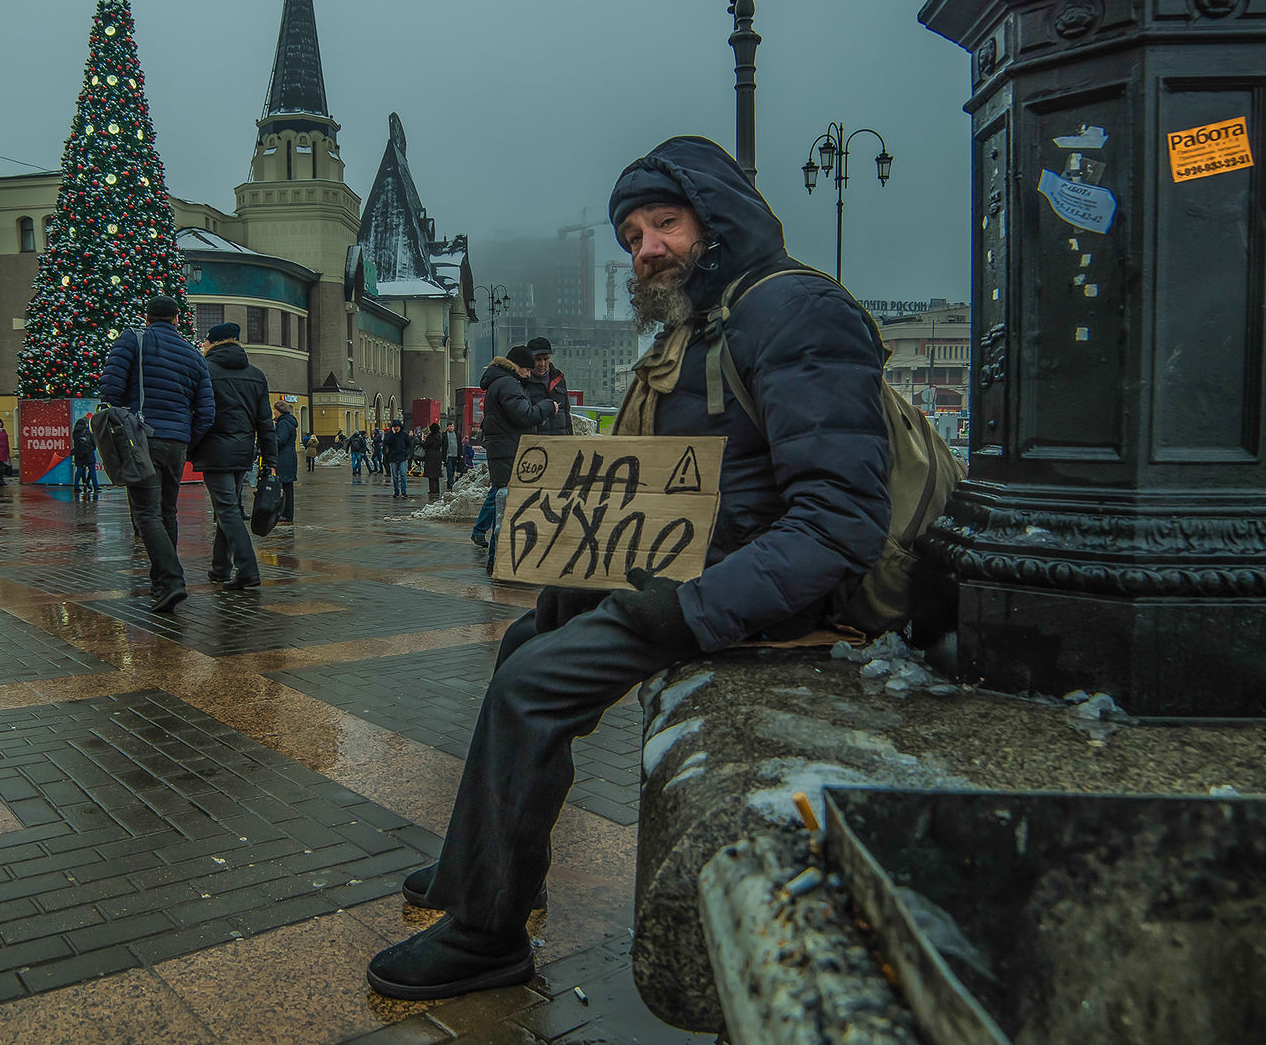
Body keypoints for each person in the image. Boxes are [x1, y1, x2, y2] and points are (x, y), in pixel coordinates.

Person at [366, 136, 891, 1000]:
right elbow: (657, 481)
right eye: (633, 236)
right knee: (524, 644)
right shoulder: (703, 324)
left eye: (664, 223)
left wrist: (683, 612)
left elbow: (839, 522)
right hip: (689, 569)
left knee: (534, 684)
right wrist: (577, 573)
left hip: (765, 600)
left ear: (716, 219)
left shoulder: (794, 311)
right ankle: (489, 872)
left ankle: (485, 937)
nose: (647, 247)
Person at [100, 296, 216, 613]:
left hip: (142, 439)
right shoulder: (194, 355)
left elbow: (109, 388)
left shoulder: (132, 338)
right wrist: (185, 439)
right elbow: (207, 411)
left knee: (145, 514)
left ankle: (172, 581)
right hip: (177, 444)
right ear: (177, 319)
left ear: (147, 317)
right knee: (167, 512)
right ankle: (160, 582)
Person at [189, 322, 275, 590]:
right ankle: (220, 568)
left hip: (214, 450)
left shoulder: (205, 370)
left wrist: (191, 447)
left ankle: (248, 569)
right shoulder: (256, 374)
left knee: (227, 510)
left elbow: (199, 414)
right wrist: (271, 460)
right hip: (242, 451)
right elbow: (265, 422)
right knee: (229, 508)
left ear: (212, 343)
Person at [469, 344, 556, 573]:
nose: (530, 375)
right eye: (527, 370)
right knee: (506, 509)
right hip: (509, 453)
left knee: (503, 506)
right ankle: (498, 562)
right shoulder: (508, 383)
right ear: (519, 367)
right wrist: (547, 407)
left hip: (503, 451)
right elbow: (523, 415)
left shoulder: (500, 382)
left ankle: (496, 561)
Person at [525, 338, 573, 436]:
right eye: (538, 359)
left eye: (546, 359)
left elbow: (566, 414)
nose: (542, 364)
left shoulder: (559, 379)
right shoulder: (524, 382)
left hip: (560, 442)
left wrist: (570, 439)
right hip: (535, 444)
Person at [273, 400, 299, 523]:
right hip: (289, 457)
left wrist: (270, 441)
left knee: (285, 487)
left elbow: (280, 440)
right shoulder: (289, 421)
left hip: (284, 458)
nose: (274, 414)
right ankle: (286, 512)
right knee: (287, 487)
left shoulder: (284, 423)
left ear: (279, 411)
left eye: (275, 412)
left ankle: (286, 513)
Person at [71, 413, 99, 496]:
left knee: (79, 471)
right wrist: (92, 448)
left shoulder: (75, 433)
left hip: (79, 455)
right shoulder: (88, 432)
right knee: (92, 471)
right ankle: (95, 487)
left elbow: (76, 445)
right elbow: (94, 443)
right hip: (89, 454)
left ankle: (76, 487)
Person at [382, 419, 412, 497]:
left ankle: (404, 491)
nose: (396, 428)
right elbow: (386, 442)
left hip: (402, 457)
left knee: (403, 474)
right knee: (395, 476)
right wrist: (392, 433)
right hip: (393, 457)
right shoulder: (390, 434)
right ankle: (396, 492)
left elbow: (409, 445)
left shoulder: (404, 434)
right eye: (395, 426)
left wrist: (407, 453)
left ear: (400, 426)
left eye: (397, 426)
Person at [423, 422, 445, 499]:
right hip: (438, 455)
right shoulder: (440, 436)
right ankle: (437, 489)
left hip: (430, 456)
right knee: (436, 474)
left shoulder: (431, 436)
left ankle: (432, 489)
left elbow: (426, 445)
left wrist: (421, 443)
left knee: (430, 474)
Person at [444, 426, 461, 490]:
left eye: (452, 426)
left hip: (455, 455)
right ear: (447, 427)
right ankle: (451, 484)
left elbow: (459, 445)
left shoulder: (457, 434)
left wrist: (460, 454)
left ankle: (450, 483)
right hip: (448, 456)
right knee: (449, 471)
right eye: (450, 426)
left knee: (453, 470)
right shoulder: (445, 435)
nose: (451, 427)